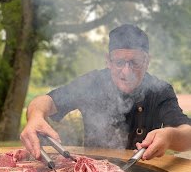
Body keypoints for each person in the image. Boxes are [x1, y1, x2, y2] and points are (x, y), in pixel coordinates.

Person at [20, 24, 191, 160]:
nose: (126, 72)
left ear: (147, 62)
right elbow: (46, 101)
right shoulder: (91, 83)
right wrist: (35, 117)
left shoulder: (160, 90)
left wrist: (169, 136)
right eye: (118, 62)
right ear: (108, 60)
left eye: (135, 63)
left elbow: (187, 134)